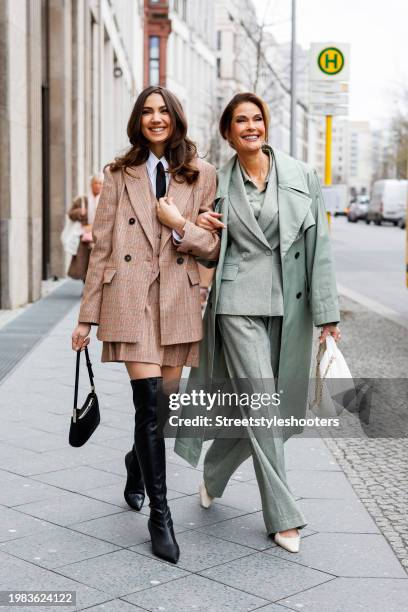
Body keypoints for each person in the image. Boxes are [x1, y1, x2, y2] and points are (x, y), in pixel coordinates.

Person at [174, 92, 341, 554]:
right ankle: (284, 515)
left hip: (291, 308)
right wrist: (199, 224)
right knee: (264, 405)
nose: (251, 126)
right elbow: (192, 237)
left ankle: (215, 470)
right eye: (240, 121)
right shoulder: (214, 182)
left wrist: (328, 314)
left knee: (274, 409)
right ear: (228, 133)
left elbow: (320, 249)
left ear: (265, 125)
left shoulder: (301, 175)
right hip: (235, 306)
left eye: (257, 119)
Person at [71, 86, 220, 564]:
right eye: (147, 112)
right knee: (149, 404)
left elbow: (212, 246)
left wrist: (180, 224)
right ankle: (162, 517)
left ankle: (137, 464)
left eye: (163, 111)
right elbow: (102, 248)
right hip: (130, 299)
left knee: (163, 411)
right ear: (138, 121)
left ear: (176, 118)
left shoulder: (202, 175)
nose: (156, 118)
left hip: (177, 299)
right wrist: (86, 318)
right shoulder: (119, 174)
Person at [67, 174, 104, 282]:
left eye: (100, 183)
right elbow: (70, 214)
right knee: (84, 262)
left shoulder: (105, 199)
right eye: (96, 183)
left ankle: (93, 286)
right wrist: (79, 212)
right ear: (91, 185)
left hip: (100, 235)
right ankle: (86, 285)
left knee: (96, 264)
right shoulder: (82, 200)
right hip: (85, 235)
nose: (98, 186)